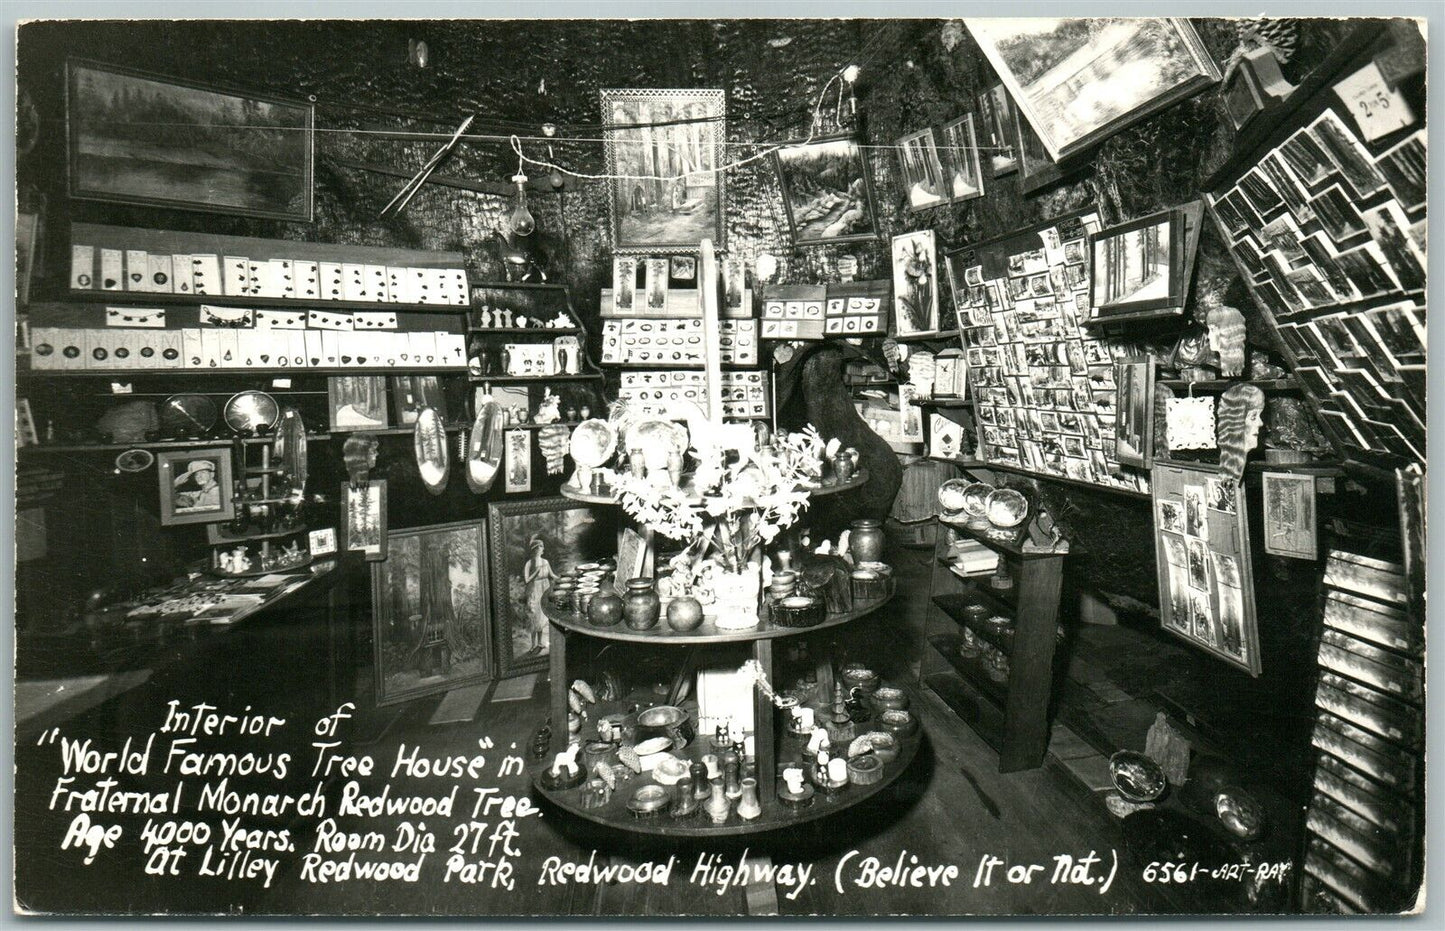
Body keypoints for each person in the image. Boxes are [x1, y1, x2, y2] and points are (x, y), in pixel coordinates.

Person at [522, 536, 553, 655]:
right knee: (534, 617)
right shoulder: (529, 563)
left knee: (541, 617)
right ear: (535, 549)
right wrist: (536, 571)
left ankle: (539, 643)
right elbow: (526, 579)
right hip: (534, 590)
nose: (543, 549)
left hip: (545, 589)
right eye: (541, 547)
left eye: (542, 547)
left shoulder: (545, 562)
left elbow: (552, 575)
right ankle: (532, 644)